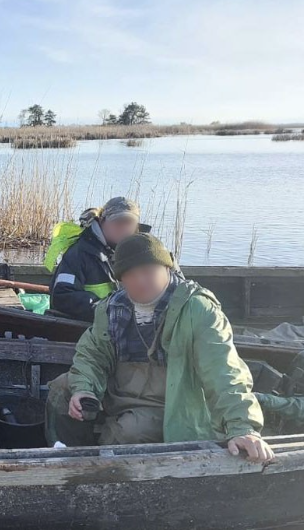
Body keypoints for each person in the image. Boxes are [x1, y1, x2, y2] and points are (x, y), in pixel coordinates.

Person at [45, 233, 273, 463]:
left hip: (173, 401)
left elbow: (223, 371)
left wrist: (242, 428)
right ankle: (69, 459)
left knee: (126, 432)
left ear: (167, 268)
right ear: (121, 279)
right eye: (131, 274)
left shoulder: (197, 309)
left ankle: (106, 473)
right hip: (121, 392)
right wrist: (84, 389)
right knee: (61, 389)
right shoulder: (112, 308)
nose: (140, 280)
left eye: (148, 270)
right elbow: (92, 354)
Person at [48, 197, 142, 322]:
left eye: (129, 223)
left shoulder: (141, 253)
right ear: (102, 221)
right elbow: (62, 296)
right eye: (117, 222)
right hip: (91, 329)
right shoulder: (79, 253)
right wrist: (106, 309)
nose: (123, 228)